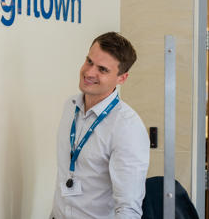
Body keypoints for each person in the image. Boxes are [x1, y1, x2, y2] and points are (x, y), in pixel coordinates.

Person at [50, 32, 150, 219]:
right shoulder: (70, 107)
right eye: (89, 61)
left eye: (102, 70)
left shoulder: (127, 127)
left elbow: (128, 208)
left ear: (122, 78)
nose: (89, 73)